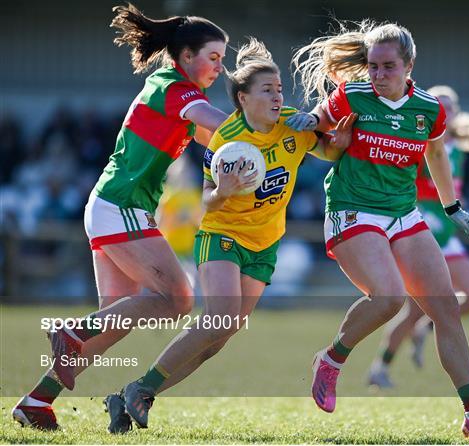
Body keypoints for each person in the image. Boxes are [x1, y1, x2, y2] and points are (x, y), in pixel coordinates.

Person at [104, 37, 356, 432]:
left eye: (279, 90)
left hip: (265, 244)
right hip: (222, 235)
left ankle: (132, 393)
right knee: (219, 319)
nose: (277, 97)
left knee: (217, 342)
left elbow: (327, 152)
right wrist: (223, 189)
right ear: (242, 98)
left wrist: (337, 144)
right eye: (267, 91)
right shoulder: (227, 139)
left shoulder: (290, 124)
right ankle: (143, 388)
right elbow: (209, 202)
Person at [286, 19, 469, 442]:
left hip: (405, 214)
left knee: (445, 311)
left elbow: (436, 155)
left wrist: (453, 207)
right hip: (353, 211)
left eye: (388, 66)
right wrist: (310, 124)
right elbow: (321, 131)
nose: (378, 75)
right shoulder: (353, 95)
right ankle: (331, 360)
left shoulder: (429, 108)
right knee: (389, 298)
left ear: (409, 65)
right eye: (373, 66)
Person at [12, 3, 229, 431]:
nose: (220, 68)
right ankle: (71, 329)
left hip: (112, 206)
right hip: (122, 206)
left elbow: (216, 141)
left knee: (112, 325)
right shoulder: (176, 88)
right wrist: (276, 125)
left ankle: (37, 401)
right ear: (186, 57)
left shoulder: (171, 89)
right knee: (178, 299)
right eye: (214, 57)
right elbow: (223, 128)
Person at [368, 85, 469, 387]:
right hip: (423, 232)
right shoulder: (419, 144)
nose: (445, 111)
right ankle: (380, 368)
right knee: (410, 309)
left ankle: (425, 327)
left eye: (451, 106)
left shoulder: (458, 149)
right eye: (440, 105)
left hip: (448, 235)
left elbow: (453, 190)